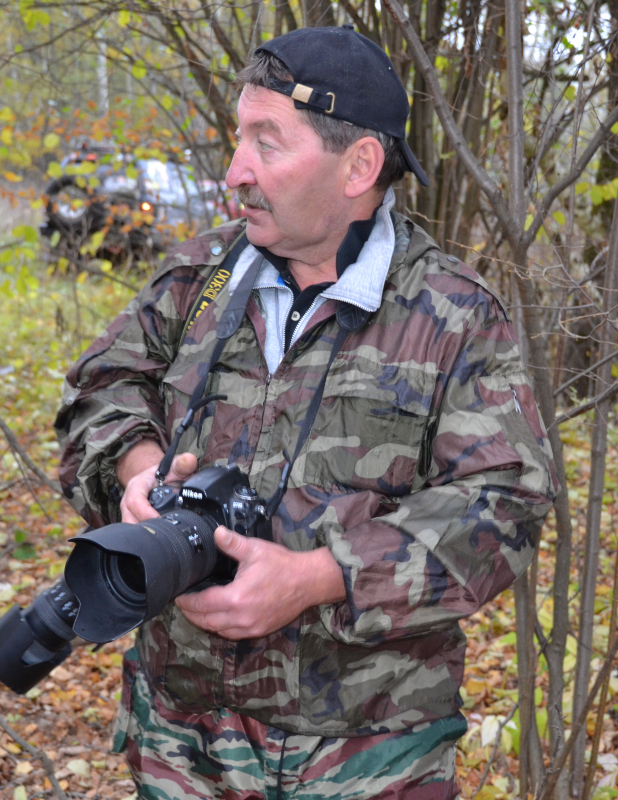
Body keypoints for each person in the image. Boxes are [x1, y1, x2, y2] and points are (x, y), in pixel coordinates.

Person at [56, 26, 557, 799]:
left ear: (359, 166)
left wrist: (320, 577)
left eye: (267, 143)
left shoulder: (454, 315)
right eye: (238, 139)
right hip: (181, 740)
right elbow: (100, 386)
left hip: (369, 756)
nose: (236, 171)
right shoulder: (197, 281)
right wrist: (138, 470)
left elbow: (506, 503)